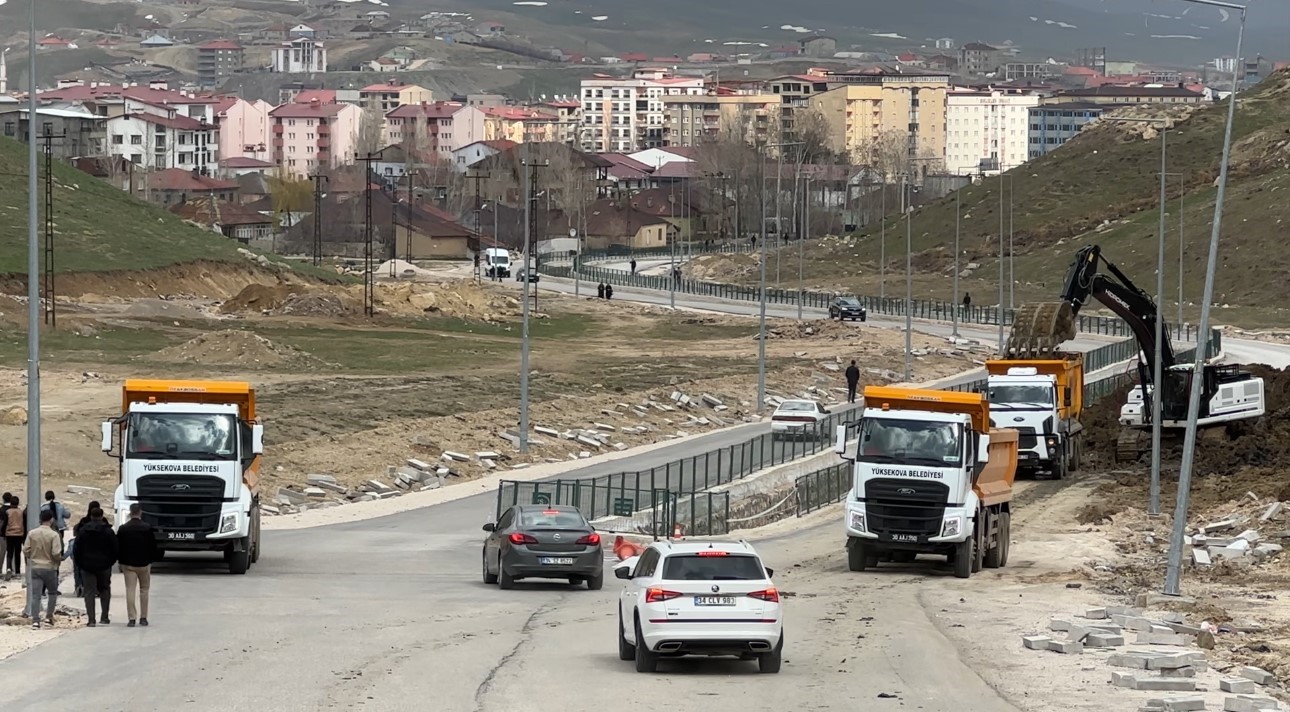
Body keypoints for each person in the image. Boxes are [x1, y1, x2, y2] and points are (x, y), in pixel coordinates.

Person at [73, 506, 118, 627]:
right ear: (102, 516)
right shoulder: (108, 531)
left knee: (89, 592)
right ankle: (104, 616)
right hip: (104, 566)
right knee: (105, 590)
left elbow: (76, 549)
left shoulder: (83, 531)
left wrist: (80, 563)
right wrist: (110, 562)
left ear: (91, 516)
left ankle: (91, 619)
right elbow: (115, 549)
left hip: (87, 566)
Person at [117, 503, 157, 628]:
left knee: (130, 590)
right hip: (144, 563)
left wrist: (121, 560)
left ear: (130, 512)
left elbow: (119, 546)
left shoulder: (123, 528)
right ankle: (143, 617)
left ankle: (132, 618)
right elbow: (153, 546)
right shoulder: (147, 528)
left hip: (128, 564)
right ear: (140, 512)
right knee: (144, 590)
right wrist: (151, 559)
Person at [23, 508, 63, 629]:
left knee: (36, 595)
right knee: (52, 593)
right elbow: (56, 553)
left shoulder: (32, 533)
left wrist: (32, 557)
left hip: (36, 567)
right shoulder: (54, 535)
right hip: (50, 567)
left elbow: (25, 549)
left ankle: (35, 620)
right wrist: (58, 561)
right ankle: (48, 618)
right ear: (51, 520)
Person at [71, 500, 101, 597]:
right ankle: (97, 589)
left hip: (85, 552)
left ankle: (80, 587)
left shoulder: (84, 522)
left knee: (79, 570)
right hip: (99, 552)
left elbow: (78, 537)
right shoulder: (103, 522)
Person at [1, 495, 26, 579]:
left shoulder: (7, 512)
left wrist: (3, 533)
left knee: (10, 552)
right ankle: (18, 571)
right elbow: (24, 523)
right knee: (18, 553)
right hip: (19, 534)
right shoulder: (21, 512)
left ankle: (9, 568)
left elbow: (5, 524)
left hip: (9, 534)